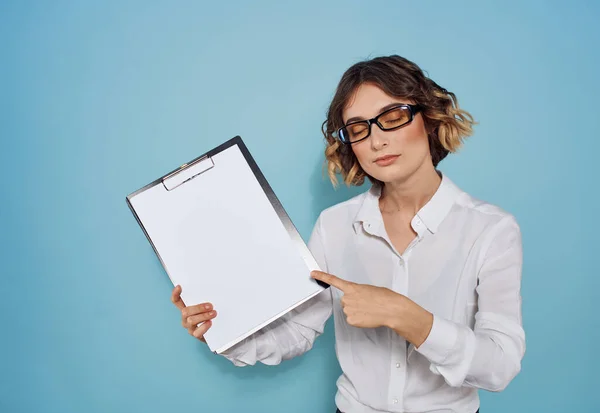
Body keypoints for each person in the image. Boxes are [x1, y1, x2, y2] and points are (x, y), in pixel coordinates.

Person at [170, 55, 525, 413]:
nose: (376, 141)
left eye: (392, 117)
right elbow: (298, 330)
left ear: (429, 118)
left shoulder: (491, 230)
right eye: (358, 128)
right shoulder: (334, 225)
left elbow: (500, 366)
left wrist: (407, 316)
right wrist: (223, 328)